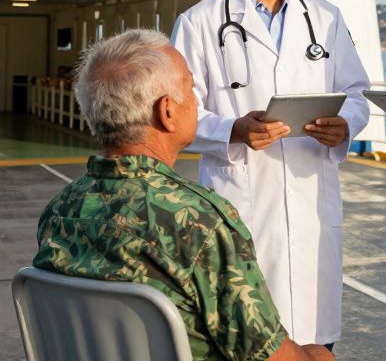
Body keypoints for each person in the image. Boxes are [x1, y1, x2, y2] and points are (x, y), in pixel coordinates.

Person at [34, 29, 334, 361]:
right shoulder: (198, 221)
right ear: (167, 111)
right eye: (190, 89)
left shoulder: (59, 212)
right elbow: (269, 355)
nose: (196, 100)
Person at [171, 0, 371, 347]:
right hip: (243, 201)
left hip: (311, 198)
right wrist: (232, 129)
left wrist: (347, 125)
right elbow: (179, 116)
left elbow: (356, 92)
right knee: (247, 340)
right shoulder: (199, 24)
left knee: (315, 342)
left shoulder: (324, 17)